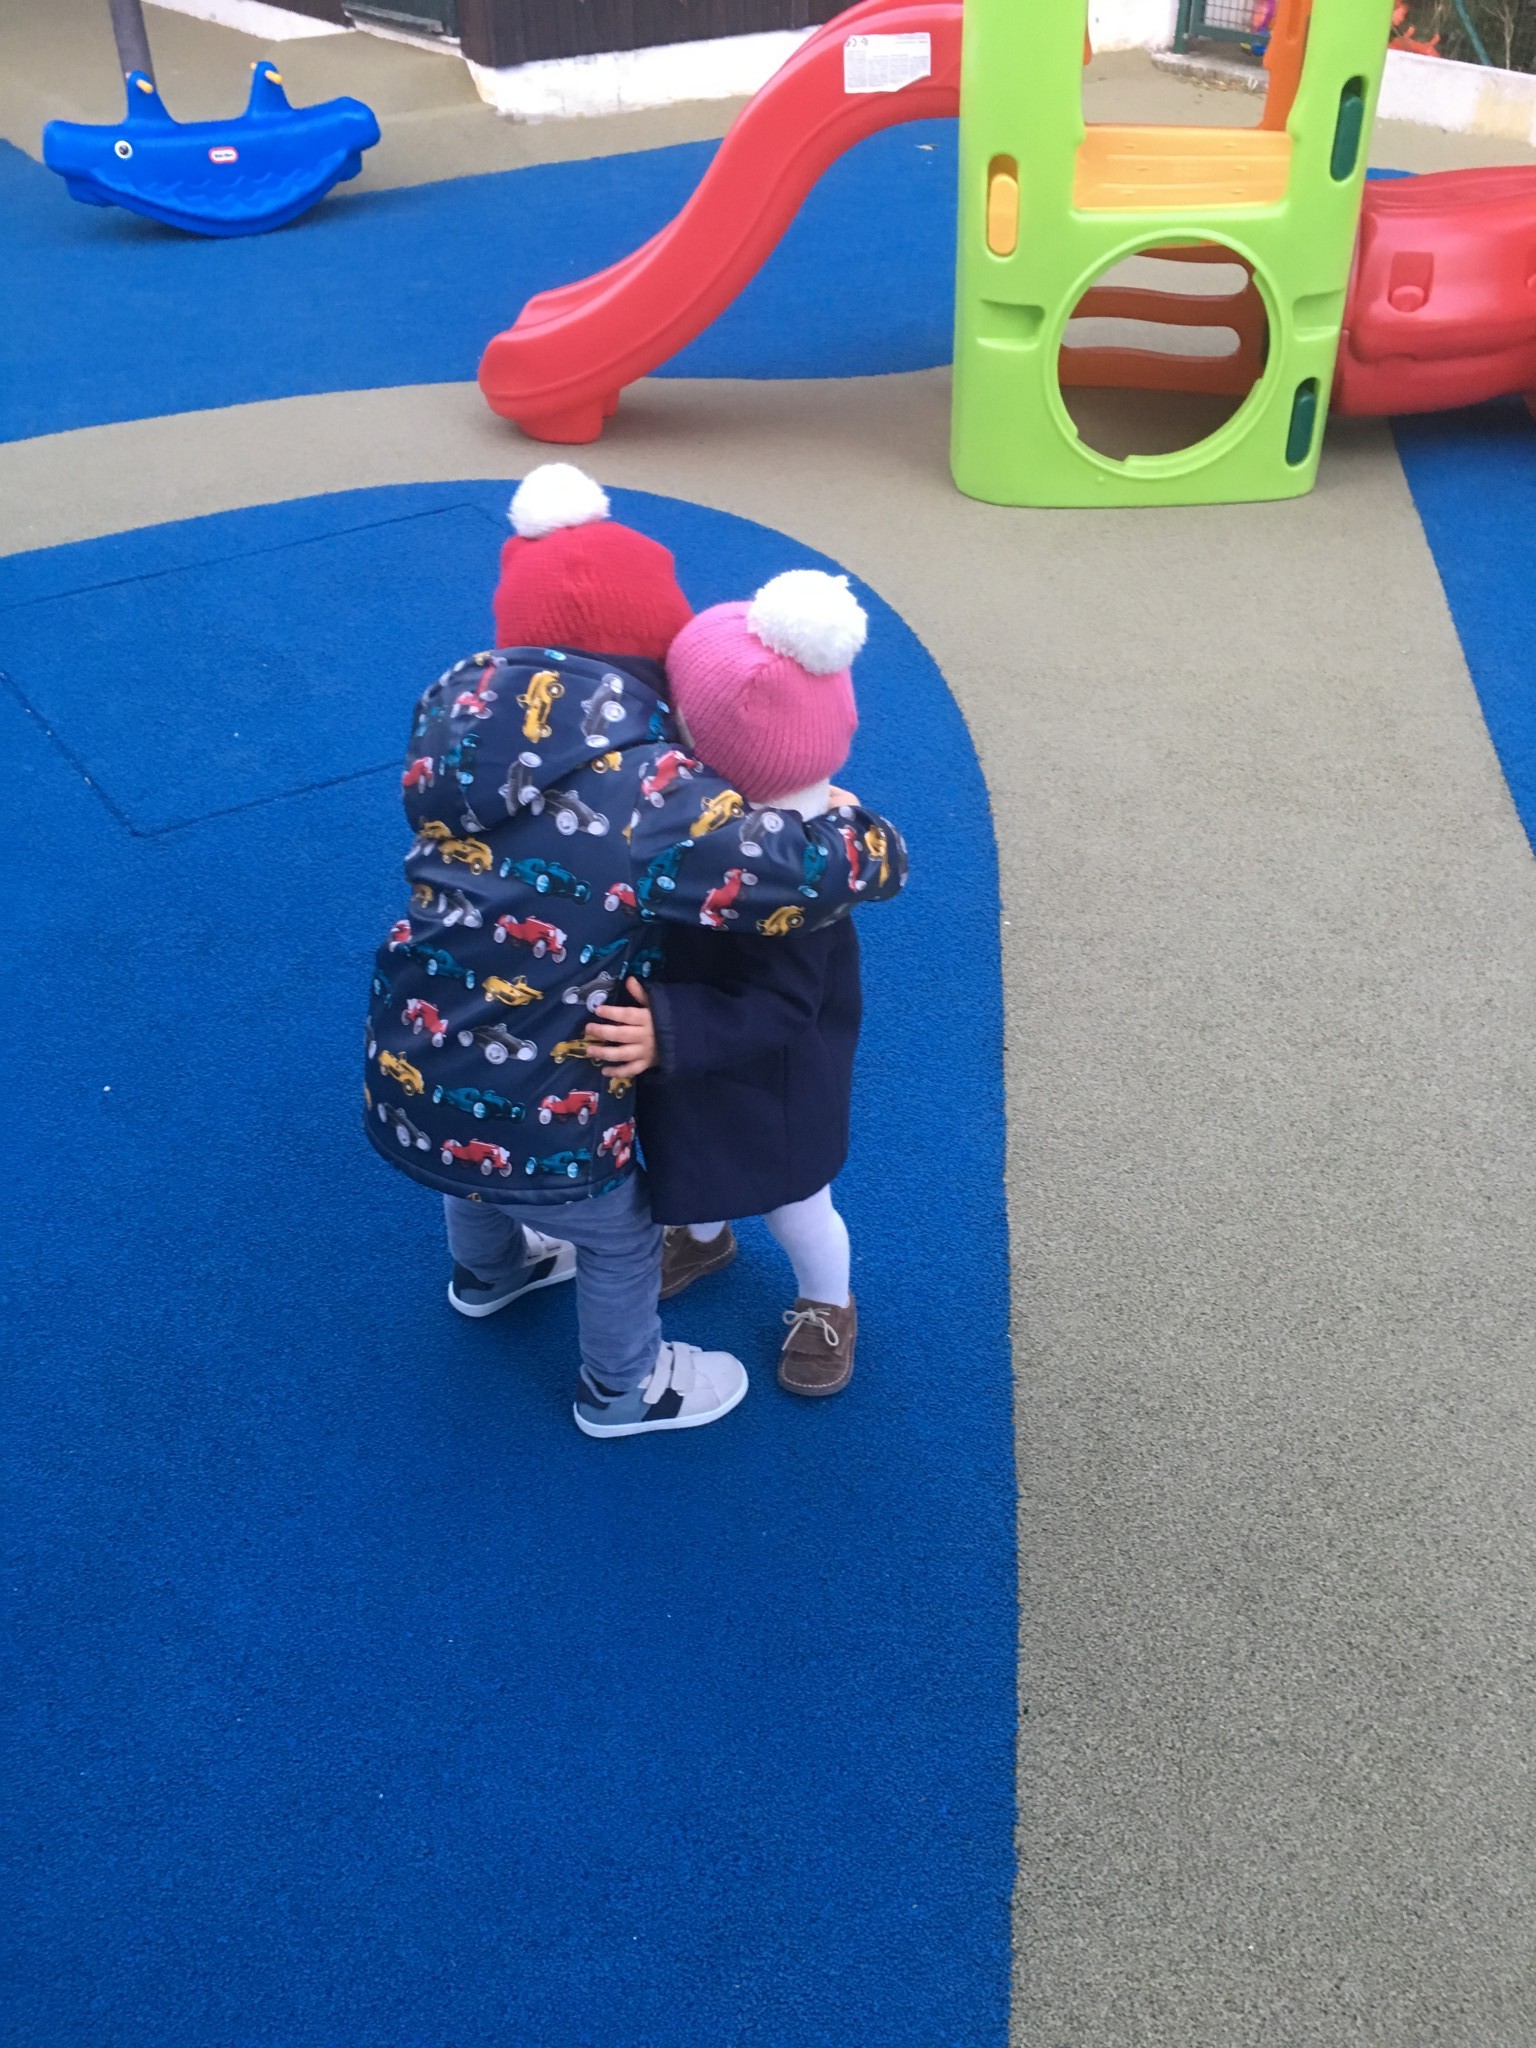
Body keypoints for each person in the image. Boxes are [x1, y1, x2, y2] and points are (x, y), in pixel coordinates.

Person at [364, 463, 906, 1439]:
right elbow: (787, 869)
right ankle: (625, 1390)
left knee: (474, 1175)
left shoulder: (452, 725)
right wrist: (866, 837)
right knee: (616, 1234)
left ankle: (490, 1274)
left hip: (412, 1046)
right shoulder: (646, 796)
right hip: (541, 1096)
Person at [584, 569, 903, 1398]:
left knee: (797, 1205)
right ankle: (703, 1238)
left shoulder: (789, 884)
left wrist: (669, 1030)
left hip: (774, 1079)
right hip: (698, 1049)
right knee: (690, 1162)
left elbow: (784, 1006)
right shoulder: (725, 835)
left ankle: (828, 1301)